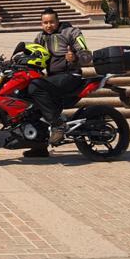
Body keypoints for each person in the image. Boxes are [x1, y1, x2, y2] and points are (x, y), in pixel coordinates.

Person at [23, 8, 92, 156]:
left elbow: (86, 56)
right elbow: (31, 56)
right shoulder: (40, 37)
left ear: (58, 21)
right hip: (52, 78)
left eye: (51, 22)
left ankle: (58, 124)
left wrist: (75, 58)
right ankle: (39, 146)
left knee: (35, 87)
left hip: (71, 75)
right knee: (28, 96)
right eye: (45, 23)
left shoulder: (71, 32)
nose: (48, 25)